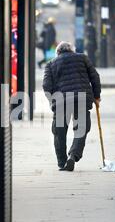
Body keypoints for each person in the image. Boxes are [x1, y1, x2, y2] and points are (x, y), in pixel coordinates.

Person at [43, 41, 101, 172]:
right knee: (81, 129)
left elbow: (46, 86)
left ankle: (62, 162)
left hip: (61, 101)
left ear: (58, 53)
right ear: (72, 50)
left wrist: (52, 101)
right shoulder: (82, 58)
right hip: (82, 98)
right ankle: (73, 156)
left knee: (59, 132)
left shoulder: (51, 64)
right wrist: (96, 96)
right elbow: (95, 77)